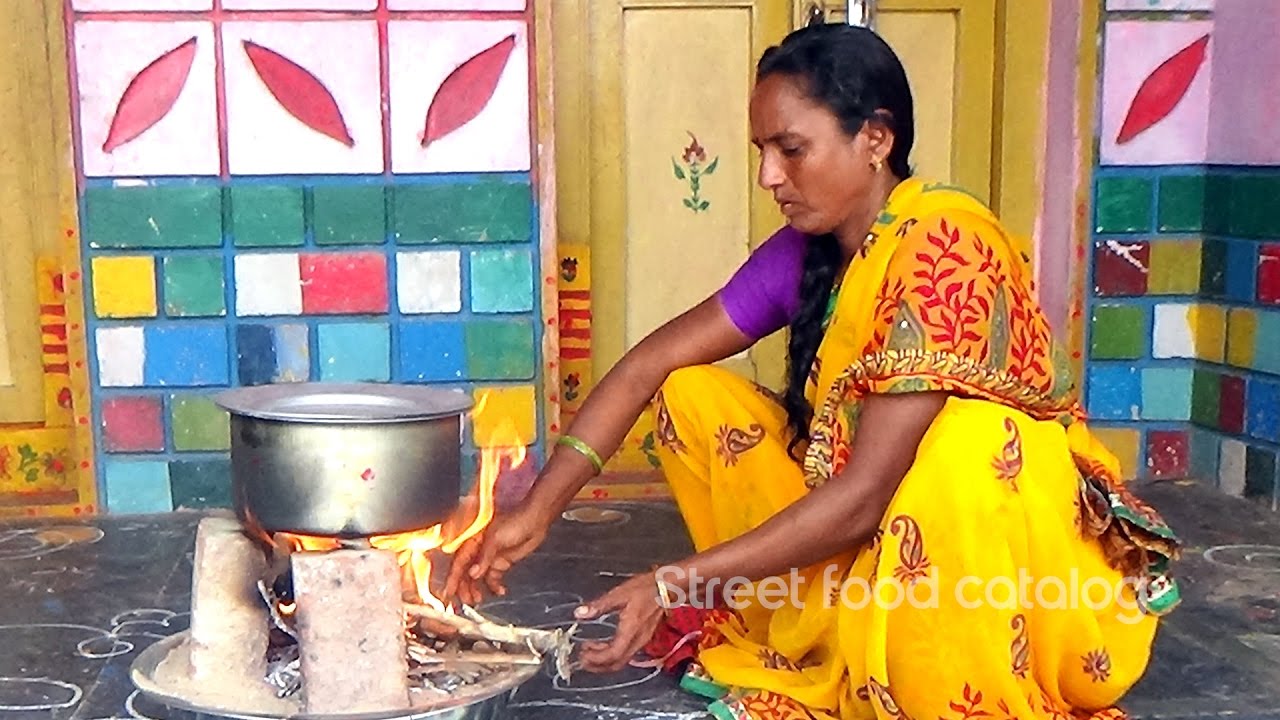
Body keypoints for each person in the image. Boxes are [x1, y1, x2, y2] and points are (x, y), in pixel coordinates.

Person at [444, 22, 1182, 720]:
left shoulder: (944, 246)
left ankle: (947, 676)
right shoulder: (811, 252)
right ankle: (830, 627)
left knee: (967, 440)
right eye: (763, 148)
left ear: (876, 139)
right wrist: (537, 511)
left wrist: (674, 583)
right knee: (689, 392)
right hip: (881, 532)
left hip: (1018, 567)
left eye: (791, 149)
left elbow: (866, 498)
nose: (768, 175)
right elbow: (649, 363)